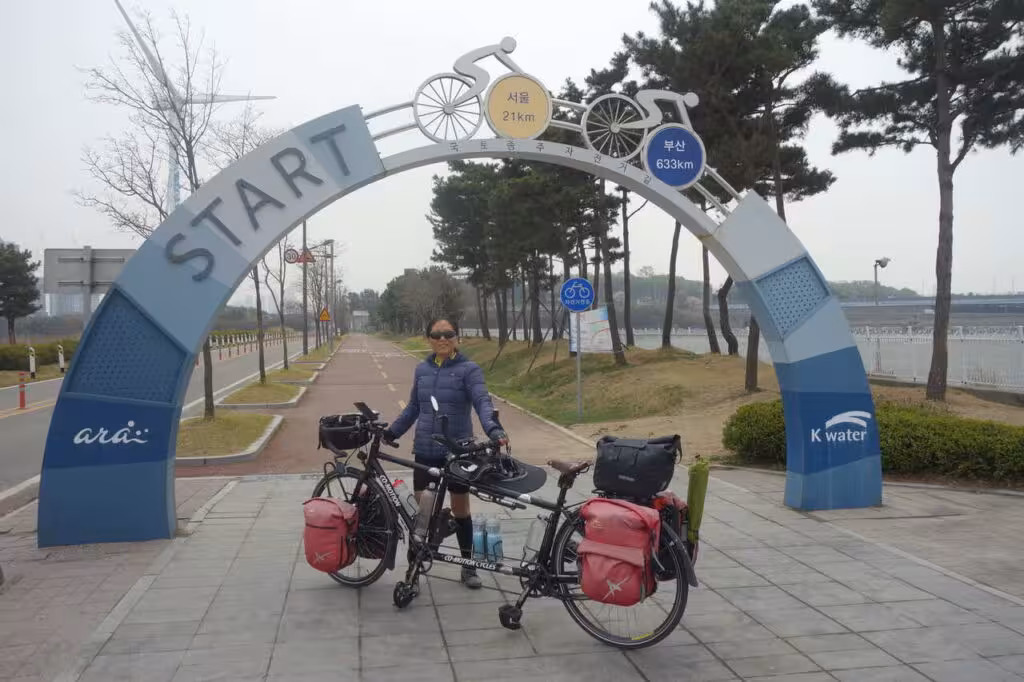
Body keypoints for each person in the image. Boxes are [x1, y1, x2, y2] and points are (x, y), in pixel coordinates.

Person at [384, 318, 507, 588]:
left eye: (448, 334)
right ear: (429, 339)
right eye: (436, 334)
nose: (442, 339)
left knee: (461, 510)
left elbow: (482, 401)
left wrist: (494, 429)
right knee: (422, 514)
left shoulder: (469, 370)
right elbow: (413, 407)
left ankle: (468, 567)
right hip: (426, 449)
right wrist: (392, 432)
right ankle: (414, 570)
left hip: (458, 452)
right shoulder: (422, 370)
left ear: (456, 338)